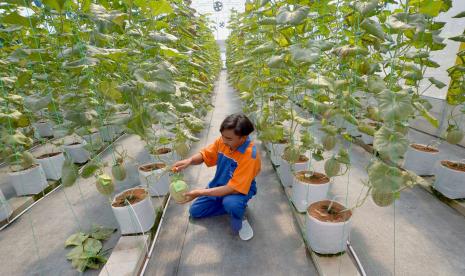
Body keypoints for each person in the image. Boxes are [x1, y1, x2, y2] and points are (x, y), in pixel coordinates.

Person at [172, 113, 261, 240]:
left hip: (239, 190)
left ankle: (238, 214)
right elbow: (205, 155)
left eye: (229, 139)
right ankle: (228, 205)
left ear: (243, 138)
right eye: (223, 136)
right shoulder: (223, 141)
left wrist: (199, 193)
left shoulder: (250, 156)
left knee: (231, 203)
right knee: (195, 212)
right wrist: (189, 161)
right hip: (219, 184)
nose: (224, 141)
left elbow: (233, 188)